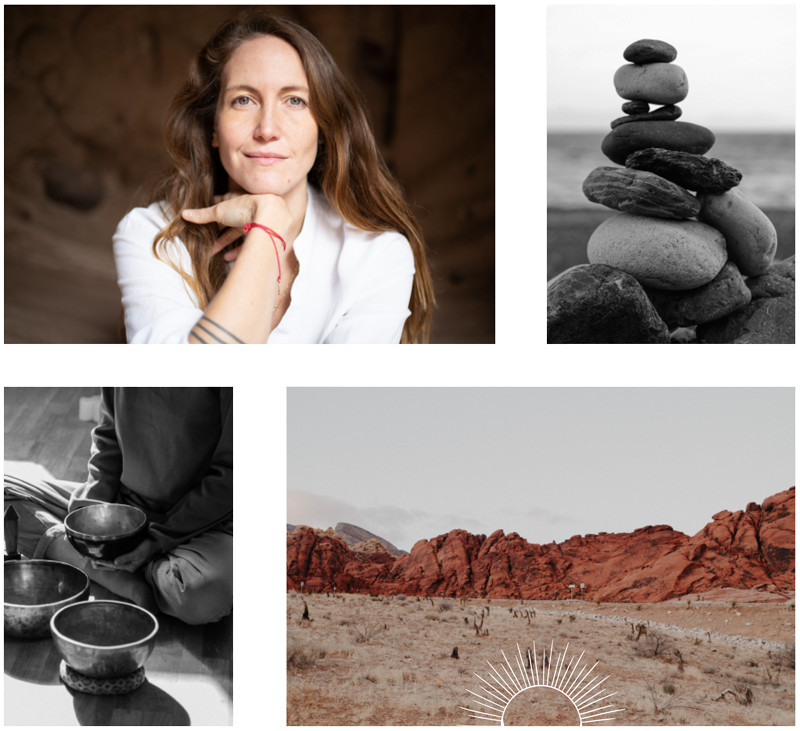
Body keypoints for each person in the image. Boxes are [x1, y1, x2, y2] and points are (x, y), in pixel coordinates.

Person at [114, 9, 434, 344]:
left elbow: (340, 397)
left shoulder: (378, 254)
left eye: (294, 101)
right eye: (243, 100)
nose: (267, 129)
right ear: (213, 128)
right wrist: (267, 230)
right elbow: (186, 388)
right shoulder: (153, 235)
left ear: (323, 128)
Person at [3, 388, 232, 626]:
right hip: (123, 509)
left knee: (200, 595)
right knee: (5, 491)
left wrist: (157, 540)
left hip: (204, 523)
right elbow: (107, 441)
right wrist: (88, 517)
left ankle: (122, 565)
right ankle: (128, 580)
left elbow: (232, 474)